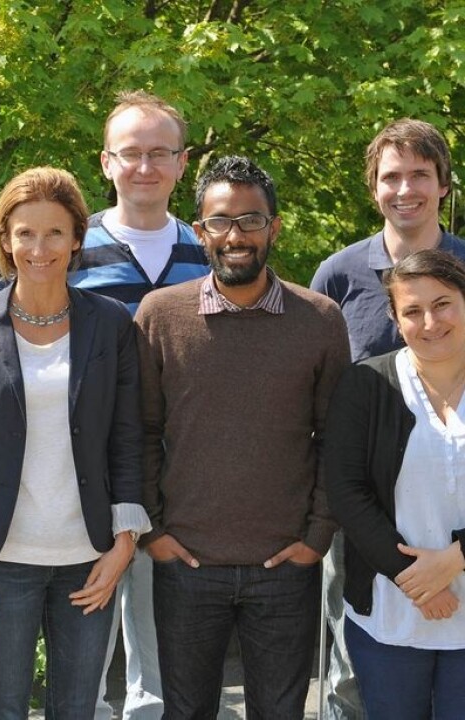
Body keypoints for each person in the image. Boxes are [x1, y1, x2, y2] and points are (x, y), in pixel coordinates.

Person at [135, 156, 350, 718]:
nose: (236, 236)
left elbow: (336, 439)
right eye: (221, 221)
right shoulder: (160, 315)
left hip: (285, 568)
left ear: (274, 227)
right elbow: (139, 432)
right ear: (200, 230)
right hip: (186, 567)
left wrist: (317, 536)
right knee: (185, 712)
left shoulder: (321, 319)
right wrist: (152, 532)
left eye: (251, 221)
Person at [0, 167, 149, 719]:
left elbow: (128, 436)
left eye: (54, 232)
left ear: (78, 238)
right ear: (5, 239)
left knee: (76, 709)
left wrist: (124, 543)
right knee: (3, 710)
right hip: (1, 555)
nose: (39, 247)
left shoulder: (110, 325)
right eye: (25, 233)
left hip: (90, 555)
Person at [310, 118, 465, 719]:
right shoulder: (339, 275)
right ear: (372, 187)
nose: (406, 189)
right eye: (391, 176)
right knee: (353, 683)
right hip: (365, 523)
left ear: (444, 185)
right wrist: (404, 572)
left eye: (420, 175)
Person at [69, 90, 207, 720]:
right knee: (83, 641)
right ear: (106, 162)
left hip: (180, 474)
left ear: (182, 164)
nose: (144, 166)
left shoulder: (210, 253)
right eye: (131, 153)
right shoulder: (69, 250)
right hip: (83, 470)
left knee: (161, 653)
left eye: (160, 153)